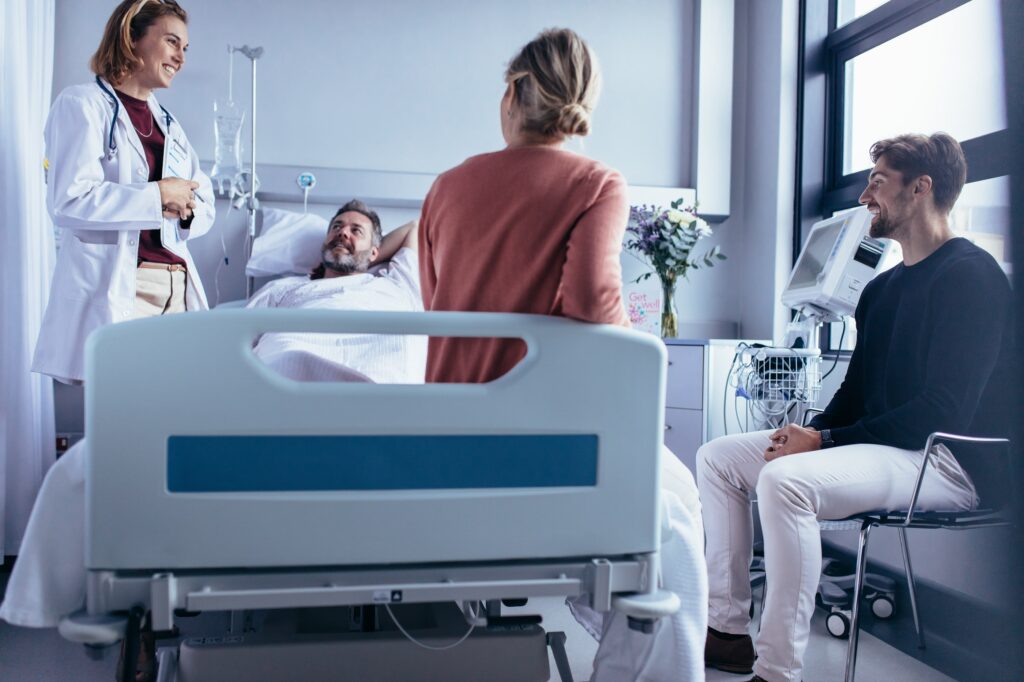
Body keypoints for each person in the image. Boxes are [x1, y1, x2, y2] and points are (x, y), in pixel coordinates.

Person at [418, 28, 708, 681]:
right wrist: (636, 344)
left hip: (451, 440)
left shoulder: (444, 188)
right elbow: (590, 302)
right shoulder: (596, 182)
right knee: (678, 508)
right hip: (543, 443)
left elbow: (437, 308)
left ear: (513, 94)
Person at [698, 132, 1013, 682]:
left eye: (877, 182)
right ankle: (726, 633)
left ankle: (777, 670)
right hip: (889, 449)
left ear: (921, 188)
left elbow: (943, 411)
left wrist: (821, 445)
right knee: (720, 457)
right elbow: (855, 393)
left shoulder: (972, 276)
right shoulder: (881, 289)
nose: (866, 197)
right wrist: (804, 432)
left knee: (785, 483)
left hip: (946, 460)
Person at [33, 0, 214, 385]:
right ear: (131, 39)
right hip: (124, 289)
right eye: (171, 42)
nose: (181, 57)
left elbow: (203, 200)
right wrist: (158, 196)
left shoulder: (169, 125)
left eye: (185, 48)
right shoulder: (82, 105)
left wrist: (186, 208)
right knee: (124, 424)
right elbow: (69, 200)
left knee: (169, 422)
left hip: (176, 290)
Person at [247, 199, 424, 383]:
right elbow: (237, 338)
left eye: (356, 230)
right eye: (336, 227)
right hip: (285, 376)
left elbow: (416, 227)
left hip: (377, 385)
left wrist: (360, 258)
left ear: (374, 252)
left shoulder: (398, 284)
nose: (342, 233)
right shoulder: (284, 288)